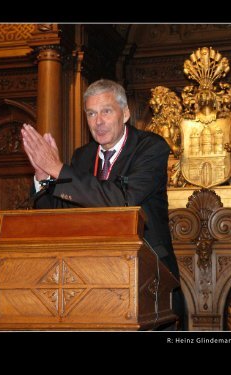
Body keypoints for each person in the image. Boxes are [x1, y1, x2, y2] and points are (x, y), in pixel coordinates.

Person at [21, 79, 185, 330]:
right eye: (91, 113)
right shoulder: (82, 156)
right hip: (95, 282)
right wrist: (44, 179)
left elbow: (123, 200)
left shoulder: (151, 147)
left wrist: (57, 168)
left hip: (149, 279)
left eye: (106, 111)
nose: (98, 121)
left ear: (126, 113)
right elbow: (61, 216)